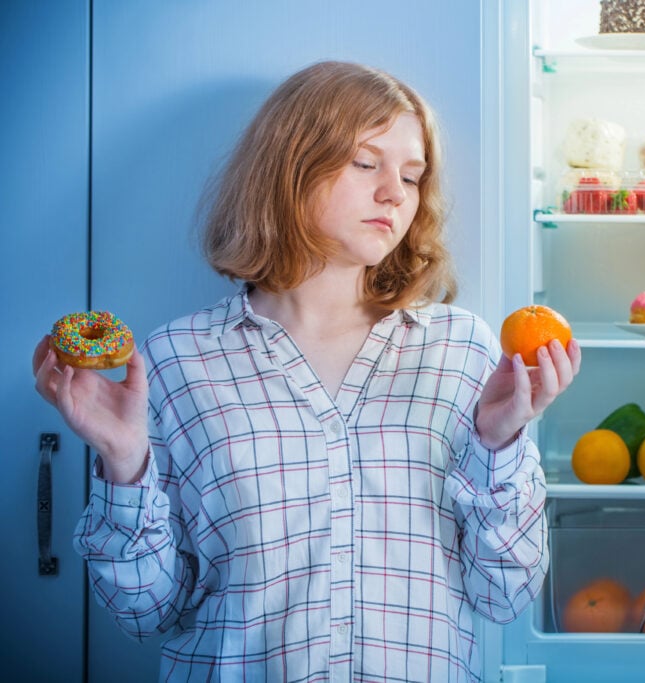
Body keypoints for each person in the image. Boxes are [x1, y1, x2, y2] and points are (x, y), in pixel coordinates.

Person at [32, 61, 581, 682]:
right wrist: (124, 464)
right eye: (365, 163)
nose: (395, 195)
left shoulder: (463, 354)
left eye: (412, 175)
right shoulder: (176, 361)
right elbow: (147, 612)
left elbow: (503, 596)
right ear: (291, 166)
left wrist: (499, 444)